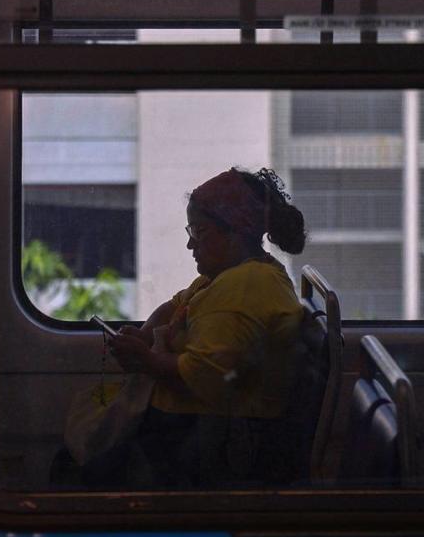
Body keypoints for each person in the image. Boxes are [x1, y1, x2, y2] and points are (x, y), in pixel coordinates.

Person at [107, 167, 308, 488]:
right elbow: (175, 305)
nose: (190, 245)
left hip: (209, 442)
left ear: (235, 232)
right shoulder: (222, 277)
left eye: (199, 233)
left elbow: (208, 373)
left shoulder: (245, 287)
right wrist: (145, 335)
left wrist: (147, 361)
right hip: (191, 429)